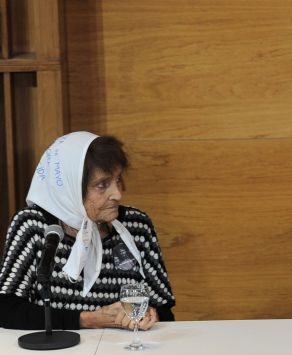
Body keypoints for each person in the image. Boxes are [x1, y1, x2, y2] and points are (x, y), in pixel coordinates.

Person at [0, 132, 176, 330]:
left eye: (118, 180)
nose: (117, 194)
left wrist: (150, 315)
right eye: (102, 185)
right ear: (71, 187)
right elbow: (7, 310)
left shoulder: (136, 225)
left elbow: (164, 308)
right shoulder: (33, 226)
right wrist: (88, 319)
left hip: (124, 353)